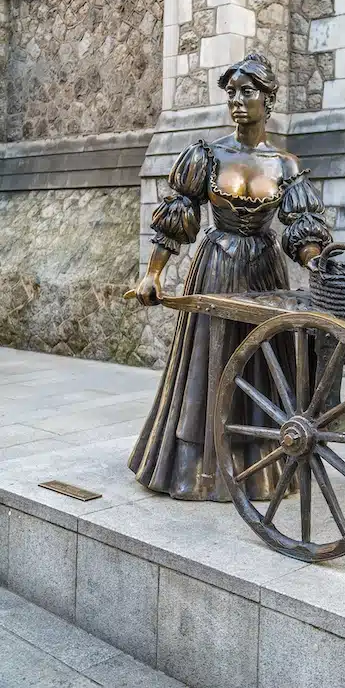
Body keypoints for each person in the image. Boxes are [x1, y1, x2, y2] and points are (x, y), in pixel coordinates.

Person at [129, 52, 331, 500]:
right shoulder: (206, 155)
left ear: (268, 100)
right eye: (232, 93)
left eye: (248, 92)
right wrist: (153, 275)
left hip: (263, 272)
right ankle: (198, 468)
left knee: (261, 364)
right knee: (209, 362)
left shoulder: (285, 166)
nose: (238, 101)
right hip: (216, 266)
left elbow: (302, 228)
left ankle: (259, 469)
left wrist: (316, 262)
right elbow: (177, 216)